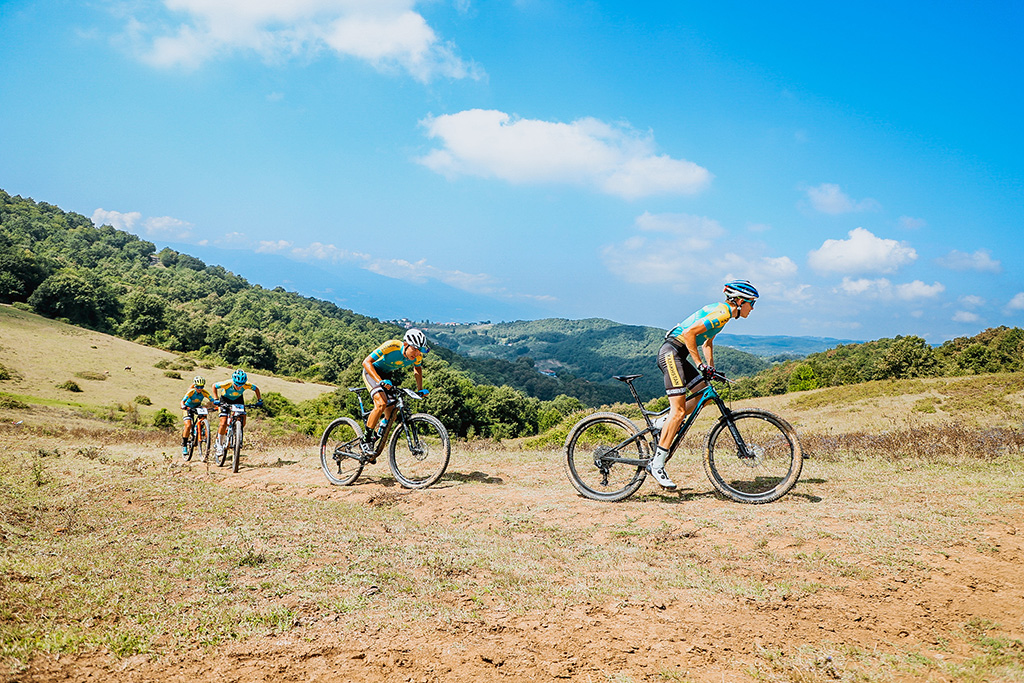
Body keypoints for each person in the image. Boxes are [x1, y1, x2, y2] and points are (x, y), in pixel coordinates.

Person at [648, 280, 759, 489]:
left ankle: (663, 422)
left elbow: (707, 341)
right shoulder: (722, 313)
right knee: (679, 412)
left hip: (679, 355)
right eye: (751, 303)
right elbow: (690, 334)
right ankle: (657, 464)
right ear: (740, 301)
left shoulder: (724, 314)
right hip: (672, 353)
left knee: (703, 396)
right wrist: (700, 364)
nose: (752, 308)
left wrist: (710, 369)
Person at [360, 328, 429, 453]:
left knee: (392, 412)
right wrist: (379, 380)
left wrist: (420, 390)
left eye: (420, 350)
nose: (417, 353)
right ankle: (365, 440)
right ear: (406, 344)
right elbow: (366, 362)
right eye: (414, 349)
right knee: (381, 403)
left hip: (386, 376)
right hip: (372, 372)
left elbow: (417, 369)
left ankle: (379, 431)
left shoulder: (417, 356)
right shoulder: (392, 346)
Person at [212, 369, 262, 457]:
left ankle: (236, 431)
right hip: (225, 399)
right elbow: (214, 386)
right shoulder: (227, 383)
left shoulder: (247, 385)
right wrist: (216, 399)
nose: (239, 387)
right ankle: (219, 444)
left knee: (243, 419)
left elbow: (256, 389)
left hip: (238, 400)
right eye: (237, 384)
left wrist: (259, 400)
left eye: (241, 385)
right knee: (223, 422)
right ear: (233, 381)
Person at [180, 376, 213, 457]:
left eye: (201, 387)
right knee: (188, 425)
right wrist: (183, 406)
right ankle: (184, 445)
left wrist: (215, 405)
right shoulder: (191, 392)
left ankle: (201, 427)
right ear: (194, 386)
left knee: (204, 413)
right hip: (188, 408)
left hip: (197, 407)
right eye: (198, 387)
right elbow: (182, 401)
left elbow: (212, 400)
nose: (199, 388)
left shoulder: (204, 392)